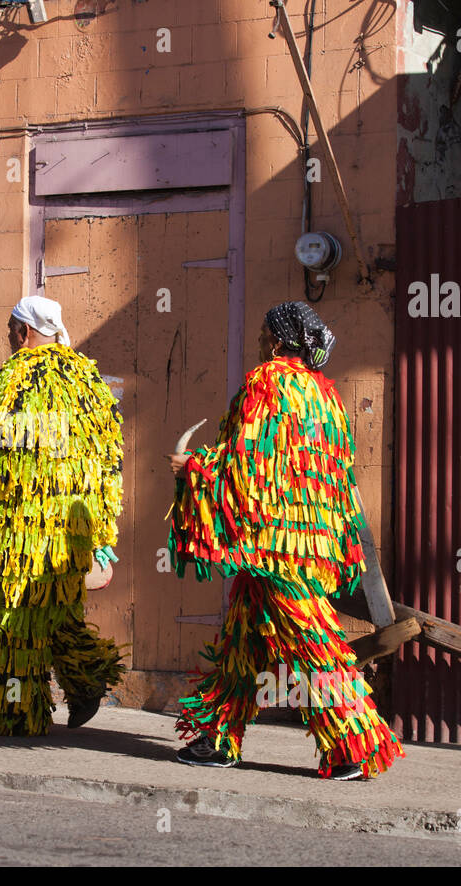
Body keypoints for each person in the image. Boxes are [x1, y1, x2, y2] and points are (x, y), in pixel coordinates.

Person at [165, 301, 404, 779]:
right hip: (310, 540)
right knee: (242, 641)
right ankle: (217, 739)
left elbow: (249, 465)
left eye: (262, 332)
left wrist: (193, 469)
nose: (258, 339)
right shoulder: (325, 395)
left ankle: (356, 746)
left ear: (278, 340)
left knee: (313, 645)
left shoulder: (267, 381)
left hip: (276, 549)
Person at [0, 295, 126, 736]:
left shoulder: (20, 373)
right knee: (55, 610)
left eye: (10, 328)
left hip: (26, 525)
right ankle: (86, 674)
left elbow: (6, 449)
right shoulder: (87, 377)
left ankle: (19, 712)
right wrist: (100, 528)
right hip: (76, 525)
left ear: (25, 332)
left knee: (17, 619)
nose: (8, 337)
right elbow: (107, 455)